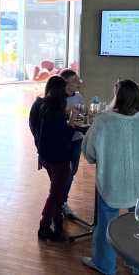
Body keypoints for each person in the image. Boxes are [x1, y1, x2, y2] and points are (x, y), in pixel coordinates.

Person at [80, 80, 139, 275]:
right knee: (138, 227)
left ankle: (105, 265)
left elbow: (89, 153)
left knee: (106, 225)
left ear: (117, 97)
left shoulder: (103, 121)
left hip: (111, 183)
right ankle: (138, 267)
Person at [29, 76, 74, 241]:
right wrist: (73, 121)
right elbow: (65, 136)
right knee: (56, 192)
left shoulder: (40, 105)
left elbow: (34, 127)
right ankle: (44, 226)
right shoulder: (55, 111)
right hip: (58, 157)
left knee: (56, 190)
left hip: (46, 155)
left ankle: (57, 220)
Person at [59, 69, 85, 217]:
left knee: (72, 171)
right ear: (66, 83)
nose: (78, 83)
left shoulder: (79, 97)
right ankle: (60, 202)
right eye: (75, 81)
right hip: (63, 141)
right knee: (64, 173)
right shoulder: (58, 100)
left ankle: (62, 201)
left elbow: (82, 115)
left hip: (77, 138)